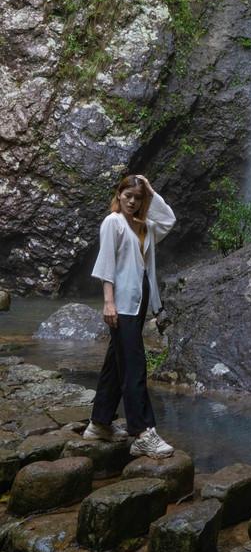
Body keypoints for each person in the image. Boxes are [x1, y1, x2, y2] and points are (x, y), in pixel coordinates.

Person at [82, 173, 176, 459]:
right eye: (128, 196)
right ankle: (142, 432)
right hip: (121, 304)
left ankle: (99, 423)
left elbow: (168, 221)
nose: (133, 202)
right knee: (134, 366)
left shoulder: (144, 225)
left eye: (138, 198)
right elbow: (107, 263)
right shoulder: (113, 222)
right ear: (118, 194)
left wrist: (150, 189)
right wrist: (108, 303)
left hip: (138, 301)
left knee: (116, 363)